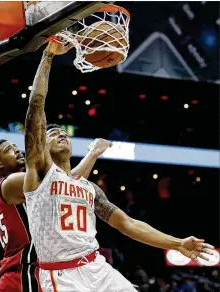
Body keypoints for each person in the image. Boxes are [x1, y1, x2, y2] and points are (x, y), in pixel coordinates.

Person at [23, 40, 215, 292]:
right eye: (53, 133)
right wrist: (48, 57)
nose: (61, 134)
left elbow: (128, 224)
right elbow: (35, 107)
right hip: (61, 274)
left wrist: (177, 243)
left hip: (97, 267)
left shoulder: (89, 188)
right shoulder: (39, 175)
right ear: (41, 146)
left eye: (64, 133)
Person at [0, 134, 112, 290]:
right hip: (25, 275)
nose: (16, 150)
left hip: (13, 277)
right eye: (9, 150)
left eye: (15, 146)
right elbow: (66, 183)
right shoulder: (12, 181)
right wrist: (93, 153)